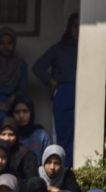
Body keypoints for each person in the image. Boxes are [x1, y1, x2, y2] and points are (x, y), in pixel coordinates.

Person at [33, 13, 78, 167]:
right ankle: (64, 169)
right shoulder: (58, 49)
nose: (78, 30)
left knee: (82, 135)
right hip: (64, 93)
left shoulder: (89, 49)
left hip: (85, 94)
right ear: (70, 28)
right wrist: (50, 80)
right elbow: (37, 67)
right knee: (63, 135)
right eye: (75, 26)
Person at [11, 96, 51, 163]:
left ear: (31, 113)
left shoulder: (41, 136)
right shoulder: (8, 135)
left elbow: (48, 163)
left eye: (25, 111)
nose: (21, 116)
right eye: (17, 112)